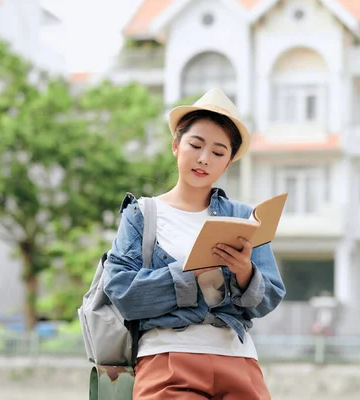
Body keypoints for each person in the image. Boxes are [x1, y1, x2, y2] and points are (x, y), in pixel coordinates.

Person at [103, 88, 285, 399]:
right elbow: (123, 292)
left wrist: (244, 272)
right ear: (176, 145)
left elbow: (269, 297)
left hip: (238, 359)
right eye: (196, 145)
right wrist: (193, 274)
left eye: (218, 152)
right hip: (168, 358)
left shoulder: (244, 218)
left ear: (227, 163)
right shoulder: (142, 215)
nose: (204, 159)